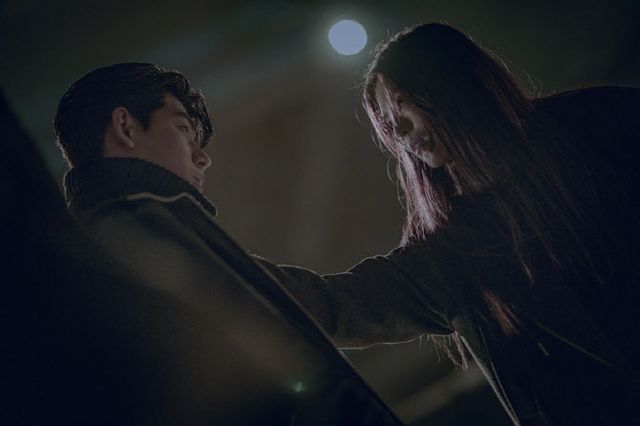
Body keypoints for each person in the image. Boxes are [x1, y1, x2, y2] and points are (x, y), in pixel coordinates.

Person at [259, 23, 640, 425]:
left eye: (403, 105)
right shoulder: (452, 257)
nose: (399, 132)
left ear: (449, 85)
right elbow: (336, 305)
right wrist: (213, 256)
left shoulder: (605, 120)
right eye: (388, 122)